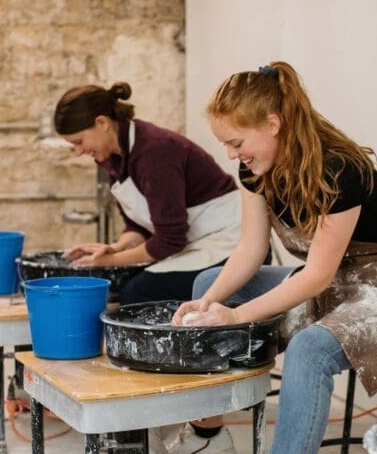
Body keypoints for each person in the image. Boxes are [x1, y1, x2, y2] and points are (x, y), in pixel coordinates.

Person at [170, 61, 377, 454]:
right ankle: (209, 433)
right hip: (333, 281)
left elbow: (316, 277)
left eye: (236, 142)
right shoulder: (254, 170)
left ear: (272, 123)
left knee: (309, 350)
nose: (231, 154)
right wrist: (207, 304)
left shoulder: (340, 169)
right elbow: (251, 249)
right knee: (208, 285)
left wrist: (238, 317)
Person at [54, 82, 242, 305]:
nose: (78, 152)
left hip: (230, 244)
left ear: (102, 123)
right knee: (124, 285)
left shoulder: (154, 152)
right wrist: (115, 247)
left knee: (138, 292)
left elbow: (170, 239)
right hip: (194, 243)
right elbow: (139, 228)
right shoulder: (112, 158)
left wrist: (110, 261)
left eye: (78, 142)